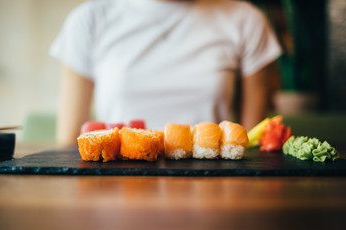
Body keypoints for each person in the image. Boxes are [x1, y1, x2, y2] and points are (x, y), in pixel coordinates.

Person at [50, 0, 282, 146]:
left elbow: (252, 143)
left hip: (211, 180)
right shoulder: (89, 19)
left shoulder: (246, 19)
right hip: (116, 181)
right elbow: (70, 140)